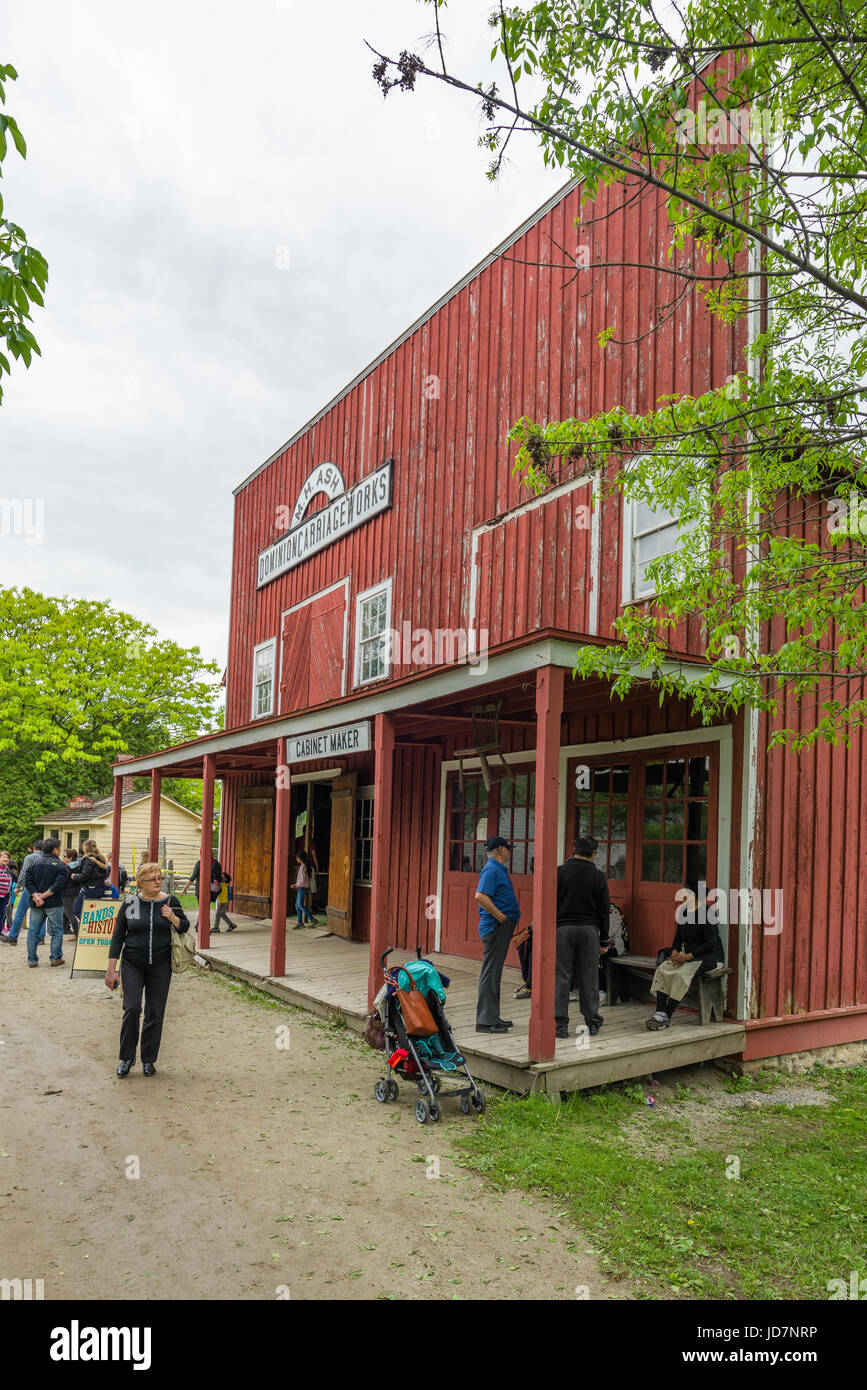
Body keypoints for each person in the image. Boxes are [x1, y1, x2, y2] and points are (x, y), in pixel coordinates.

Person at [105, 862, 190, 1077]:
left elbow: (186, 926)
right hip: (132, 963)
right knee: (132, 1008)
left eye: (160, 877)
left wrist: (172, 917)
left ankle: (149, 1059)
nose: (158, 881)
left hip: (161, 966)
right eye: (152, 879)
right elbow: (117, 937)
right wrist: (111, 970)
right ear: (140, 883)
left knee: (155, 1012)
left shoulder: (171, 901)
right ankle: (127, 1057)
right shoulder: (130, 903)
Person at [646, 883, 725, 1030]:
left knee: (681, 974)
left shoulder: (707, 913)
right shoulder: (683, 912)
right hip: (688, 956)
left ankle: (667, 1016)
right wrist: (675, 952)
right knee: (663, 968)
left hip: (709, 957)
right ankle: (660, 1013)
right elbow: (678, 938)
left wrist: (688, 956)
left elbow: (711, 943)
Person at [554, 836, 610, 1040]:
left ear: (573, 849)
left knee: (561, 977)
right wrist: (604, 940)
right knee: (589, 978)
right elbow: (604, 911)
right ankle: (592, 1022)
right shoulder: (598, 876)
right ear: (594, 853)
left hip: (563, 929)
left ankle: (560, 1025)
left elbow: (550, 903)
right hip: (589, 930)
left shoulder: (559, 872)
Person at [474, 836, 520, 1033]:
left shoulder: (497, 869)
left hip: (499, 927)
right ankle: (485, 1021)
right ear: (501, 849)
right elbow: (480, 896)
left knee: (494, 973)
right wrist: (501, 917)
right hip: (495, 927)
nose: (510, 852)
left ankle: (493, 1017)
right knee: (491, 973)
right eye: (508, 848)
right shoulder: (492, 869)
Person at [21, 838, 69, 967]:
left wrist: (36, 895)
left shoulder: (34, 864)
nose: (60, 850)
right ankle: (55, 958)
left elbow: (28, 881)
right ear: (55, 849)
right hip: (53, 903)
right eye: (59, 848)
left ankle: (32, 959)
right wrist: (44, 895)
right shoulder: (60, 865)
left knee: (33, 931)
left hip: (36, 903)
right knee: (57, 931)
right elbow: (58, 885)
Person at [2, 842, 41, 946]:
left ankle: (13, 937)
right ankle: (40, 938)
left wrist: (18, 886)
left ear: (34, 848)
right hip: (42, 889)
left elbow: (24, 872)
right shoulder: (47, 858)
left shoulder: (30, 857)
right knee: (39, 912)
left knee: (20, 912)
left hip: (29, 888)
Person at [70, 839, 109, 921]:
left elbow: (84, 876)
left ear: (86, 848)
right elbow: (106, 872)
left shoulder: (88, 860)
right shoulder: (101, 858)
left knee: (77, 909)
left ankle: (89, 924)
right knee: (92, 911)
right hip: (100, 888)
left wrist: (74, 876)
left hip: (90, 889)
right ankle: (93, 927)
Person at [182, 856, 222, 931]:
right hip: (212, 890)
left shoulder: (200, 863)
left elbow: (193, 877)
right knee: (205, 908)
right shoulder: (216, 864)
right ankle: (200, 925)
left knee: (203, 908)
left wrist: (185, 888)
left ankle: (200, 926)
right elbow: (219, 878)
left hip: (200, 890)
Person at [61, 848, 81, 936]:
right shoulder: (79, 866)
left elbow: (63, 880)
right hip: (76, 891)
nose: (63, 858)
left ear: (71, 858)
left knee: (70, 914)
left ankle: (77, 934)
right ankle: (65, 929)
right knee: (66, 912)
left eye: (65, 856)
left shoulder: (68, 867)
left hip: (67, 893)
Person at [293, 852, 315, 928]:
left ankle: (312, 919)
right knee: (297, 906)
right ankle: (300, 923)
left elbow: (302, 880)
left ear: (299, 858)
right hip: (303, 888)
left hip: (302, 888)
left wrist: (295, 885)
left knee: (300, 905)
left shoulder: (302, 867)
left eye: (297, 858)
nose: (296, 859)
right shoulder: (304, 866)